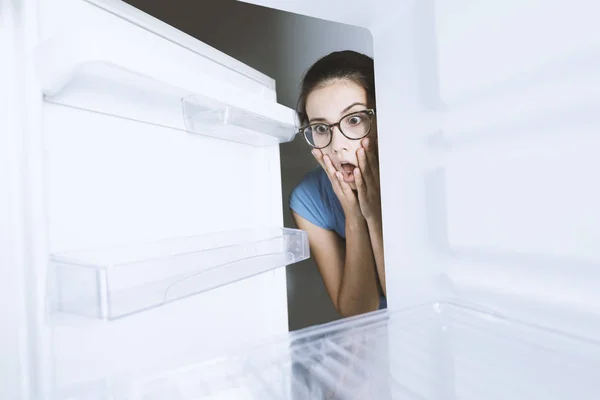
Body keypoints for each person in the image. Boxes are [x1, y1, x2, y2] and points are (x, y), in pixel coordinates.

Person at [289, 50, 386, 318]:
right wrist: (354, 217)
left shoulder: (417, 177)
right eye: (321, 128)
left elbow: (411, 296)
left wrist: (374, 217)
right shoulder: (309, 200)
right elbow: (357, 314)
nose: (336, 145)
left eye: (354, 120)